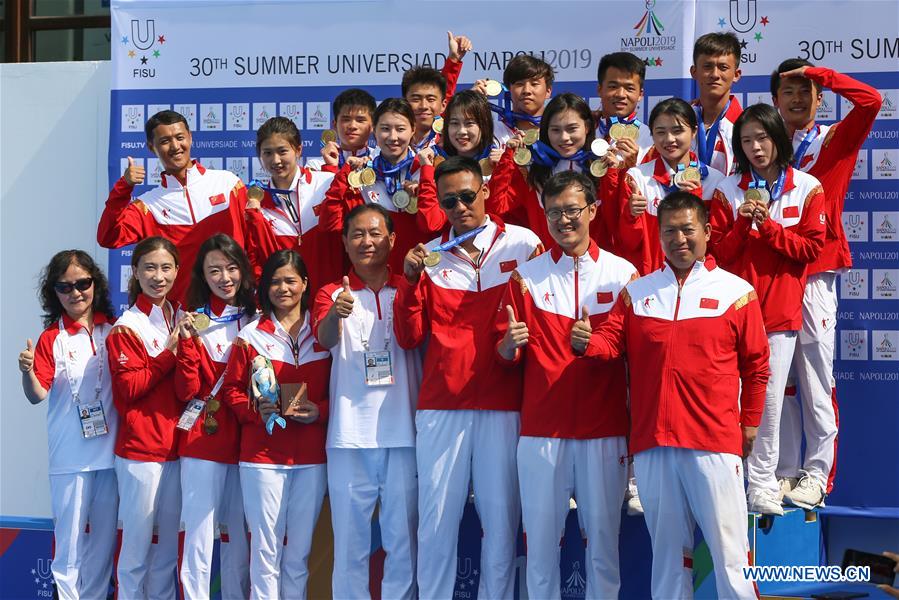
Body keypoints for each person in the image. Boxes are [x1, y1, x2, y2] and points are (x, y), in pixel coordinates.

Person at [585, 191, 768, 599]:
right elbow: (610, 341)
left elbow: (757, 366)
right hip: (654, 444)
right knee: (668, 558)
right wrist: (586, 342)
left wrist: (751, 422)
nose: (679, 239)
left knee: (730, 555)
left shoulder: (736, 291)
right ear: (660, 235)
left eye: (688, 229)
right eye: (669, 231)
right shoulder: (638, 293)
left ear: (707, 231)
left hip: (713, 442)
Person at [395, 156, 542, 599]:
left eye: (466, 196)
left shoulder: (524, 244)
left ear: (485, 191)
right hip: (443, 406)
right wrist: (408, 282)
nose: (459, 207)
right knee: (436, 524)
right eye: (449, 201)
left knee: (501, 525)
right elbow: (408, 337)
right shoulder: (429, 256)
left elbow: (540, 324)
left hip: (503, 404)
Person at [497, 171, 636, 599]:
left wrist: (592, 343)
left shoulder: (623, 274)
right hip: (542, 434)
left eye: (572, 210)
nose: (563, 220)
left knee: (603, 552)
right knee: (540, 553)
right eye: (554, 212)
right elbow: (504, 355)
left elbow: (629, 350)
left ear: (592, 210)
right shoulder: (525, 278)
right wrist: (508, 345)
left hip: (604, 432)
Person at [770, 59, 882, 508]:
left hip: (817, 269)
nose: (797, 99)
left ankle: (817, 474)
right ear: (775, 99)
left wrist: (823, 74)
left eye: (806, 91)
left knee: (815, 374)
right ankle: (783, 471)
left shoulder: (835, 138)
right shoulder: (765, 144)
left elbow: (871, 101)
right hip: (773, 271)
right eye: (788, 91)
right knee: (779, 377)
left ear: (819, 99)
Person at [710, 104, 825, 516]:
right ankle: (730, 481)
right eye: (746, 141)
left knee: (770, 402)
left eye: (762, 138)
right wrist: (743, 224)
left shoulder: (807, 186)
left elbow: (811, 249)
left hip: (779, 314)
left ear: (777, 138)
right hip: (734, 313)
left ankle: (761, 484)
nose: (756, 147)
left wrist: (770, 229)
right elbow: (717, 253)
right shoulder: (727, 189)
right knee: (729, 398)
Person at [313, 204, 420, 599]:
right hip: (348, 435)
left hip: (402, 433)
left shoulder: (409, 287)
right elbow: (324, 339)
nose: (366, 241)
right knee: (350, 545)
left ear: (392, 239)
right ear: (344, 242)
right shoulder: (331, 292)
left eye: (375, 233)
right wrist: (335, 315)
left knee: (402, 541)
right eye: (357, 234)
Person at [221, 250, 330, 600]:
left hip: (311, 458)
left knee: (298, 555)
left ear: (305, 284)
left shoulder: (324, 333)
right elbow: (232, 390)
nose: (283, 288)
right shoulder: (251, 336)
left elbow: (343, 390)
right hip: (262, 457)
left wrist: (320, 411)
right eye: (275, 282)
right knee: (265, 553)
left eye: (290, 281)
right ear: (265, 288)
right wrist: (257, 411)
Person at [19, 250, 119, 600]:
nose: (76, 293)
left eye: (82, 284)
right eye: (65, 287)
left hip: (111, 456)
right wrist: (27, 372)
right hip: (70, 457)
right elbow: (37, 395)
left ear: (95, 284)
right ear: (54, 292)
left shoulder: (115, 329)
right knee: (69, 546)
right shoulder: (52, 337)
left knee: (103, 546)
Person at [97, 110, 263, 302]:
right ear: (151, 147)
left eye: (180, 137)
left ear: (190, 138)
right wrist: (124, 187)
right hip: (183, 313)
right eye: (165, 141)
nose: (175, 146)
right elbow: (108, 237)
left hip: (235, 307)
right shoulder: (148, 206)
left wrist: (256, 291)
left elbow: (254, 241)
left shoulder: (228, 184)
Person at [175, 234, 255, 600]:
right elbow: (187, 390)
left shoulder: (259, 319)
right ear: (202, 277)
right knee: (200, 533)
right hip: (204, 438)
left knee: (239, 535)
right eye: (214, 271)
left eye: (231, 268)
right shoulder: (194, 322)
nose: (225, 278)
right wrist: (187, 343)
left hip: (249, 439)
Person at [107, 236, 187, 598]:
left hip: (176, 449)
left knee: (167, 552)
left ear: (177, 271)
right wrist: (169, 355)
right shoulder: (127, 326)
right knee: (135, 551)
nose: (159, 276)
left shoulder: (181, 316)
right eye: (150, 268)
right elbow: (129, 388)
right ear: (135, 272)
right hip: (140, 452)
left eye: (166, 268)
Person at [321, 98, 439, 275]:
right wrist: (344, 174)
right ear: (374, 130)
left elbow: (431, 225)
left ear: (413, 129)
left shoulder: (427, 172)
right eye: (385, 129)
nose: (393, 137)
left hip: (419, 278)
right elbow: (329, 225)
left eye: (400, 129)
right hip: (375, 282)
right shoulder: (360, 178)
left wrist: (425, 186)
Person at [489, 93, 613, 248]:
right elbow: (497, 208)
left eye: (572, 129)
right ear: (545, 131)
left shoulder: (603, 167)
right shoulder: (531, 169)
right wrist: (508, 159)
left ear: (587, 127)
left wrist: (615, 172)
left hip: (594, 259)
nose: (564, 137)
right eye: (555, 130)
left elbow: (617, 220)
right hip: (545, 259)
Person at [618, 98, 726, 275]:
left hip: (699, 278)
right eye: (660, 132)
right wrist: (631, 216)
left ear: (694, 132)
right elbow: (630, 243)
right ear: (652, 135)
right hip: (654, 278)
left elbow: (717, 245)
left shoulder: (715, 181)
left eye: (677, 131)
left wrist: (694, 202)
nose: (669, 139)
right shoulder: (637, 178)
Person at [245, 116, 344, 293]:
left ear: (298, 150)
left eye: (282, 151)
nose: (275, 160)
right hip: (289, 301)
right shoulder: (258, 206)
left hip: (332, 296)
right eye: (267, 153)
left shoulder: (327, 183)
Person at [416, 90, 500, 234]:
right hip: (449, 246)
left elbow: (501, 214)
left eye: (469, 123)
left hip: (495, 244)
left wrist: (503, 170)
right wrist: (427, 170)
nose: (461, 131)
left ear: (484, 125)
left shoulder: (499, 161)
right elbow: (431, 223)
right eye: (454, 123)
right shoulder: (431, 162)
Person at [402, 31, 470, 151]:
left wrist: (454, 60)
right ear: (405, 103)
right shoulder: (393, 142)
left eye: (430, 99)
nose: (424, 106)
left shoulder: (451, 144)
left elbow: (446, 92)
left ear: (443, 105)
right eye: (416, 99)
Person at [690, 32, 744, 175]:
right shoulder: (679, 121)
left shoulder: (747, 126)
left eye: (723, 67)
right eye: (707, 66)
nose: (715, 74)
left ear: (736, 75)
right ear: (694, 72)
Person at [475, 54, 554, 146]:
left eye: (534, 84)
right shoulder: (491, 132)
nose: (526, 90)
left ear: (548, 91)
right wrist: (471, 100)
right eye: (519, 84)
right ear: (509, 90)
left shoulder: (559, 132)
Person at [595, 51, 653, 166]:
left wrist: (632, 166)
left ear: (640, 94)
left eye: (629, 88)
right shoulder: (583, 131)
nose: (621, 94)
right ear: (600, 90)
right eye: (613, 86)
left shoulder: (650, 140)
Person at [305, 88, 378, 171]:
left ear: (373, 126)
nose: (352, 126)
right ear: (335, 125)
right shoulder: (317, 165)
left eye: (360, 120)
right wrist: (330, 167)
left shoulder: (380, 162)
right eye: (346, 120)